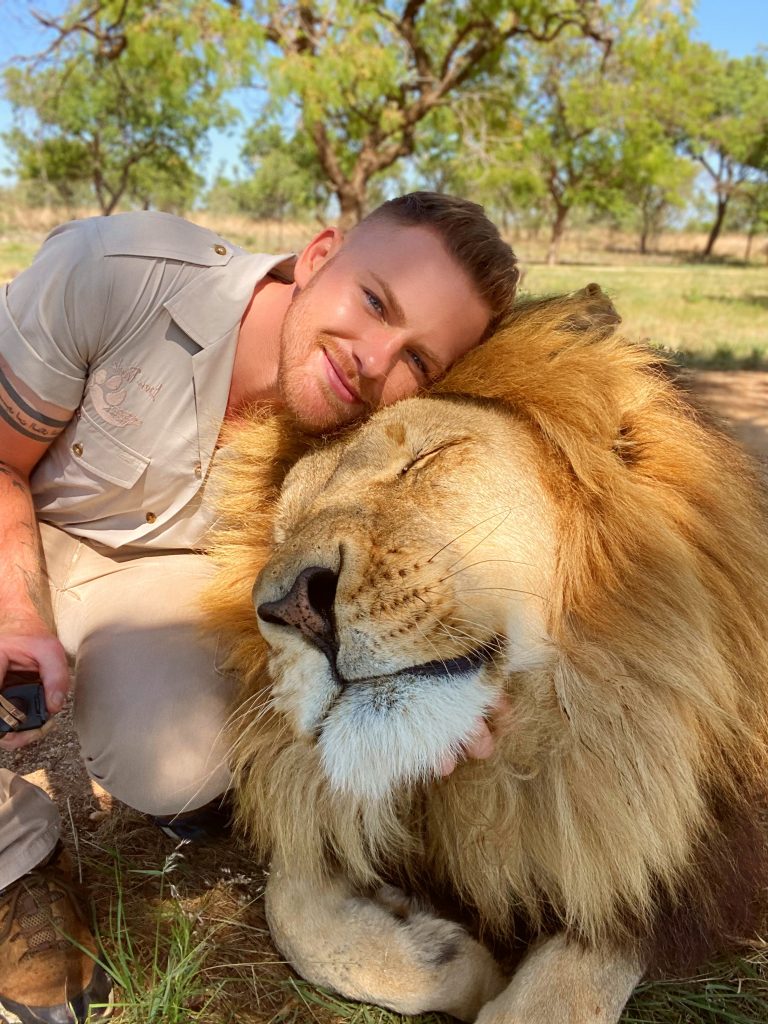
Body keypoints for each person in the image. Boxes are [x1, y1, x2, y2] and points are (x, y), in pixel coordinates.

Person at [0, 191, 519, 1023]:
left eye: (418, 360)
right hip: (14, 503)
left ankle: (193, 790)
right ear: (318, 256)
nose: (373, 360)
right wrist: (18, 612)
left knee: (182, 763)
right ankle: (17, 863)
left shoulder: (366, 430)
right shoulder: (114, 272)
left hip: (145, 575)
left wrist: (442, 676)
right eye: (375, 302)